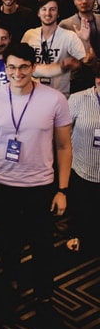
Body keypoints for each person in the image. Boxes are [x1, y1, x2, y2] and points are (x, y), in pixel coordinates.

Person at [0, 43, 72, 305]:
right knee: (6, 241)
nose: (17, 73)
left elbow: (64, 147)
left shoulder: (55, 99)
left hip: (40, 185)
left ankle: (44, 292)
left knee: (42, 244)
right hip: (1, 183)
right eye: (12, 67)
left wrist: (62, 190)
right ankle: (10, 284)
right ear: (5, 67)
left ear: (33, 67)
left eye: (24, 67)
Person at [65, 62, 100, 255]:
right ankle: (78, 235)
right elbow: (63, 132)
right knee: (83, 208)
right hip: (82, 166)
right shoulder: (79, 99)